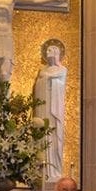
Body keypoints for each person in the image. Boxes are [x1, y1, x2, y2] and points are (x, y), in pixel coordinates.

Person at [34, 39, 67, 182]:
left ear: (57, 53)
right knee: (43, 137)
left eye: (51, 50)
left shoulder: (62, 70)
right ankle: (42, 170)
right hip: (44, 109)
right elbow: (38, 88)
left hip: (55, 112)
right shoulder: (42, 71)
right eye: (47, 51)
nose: (49, 53)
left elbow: (60, 85)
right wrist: (44, 81)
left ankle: (54, 170)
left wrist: (49, 79)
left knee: (54, 137)